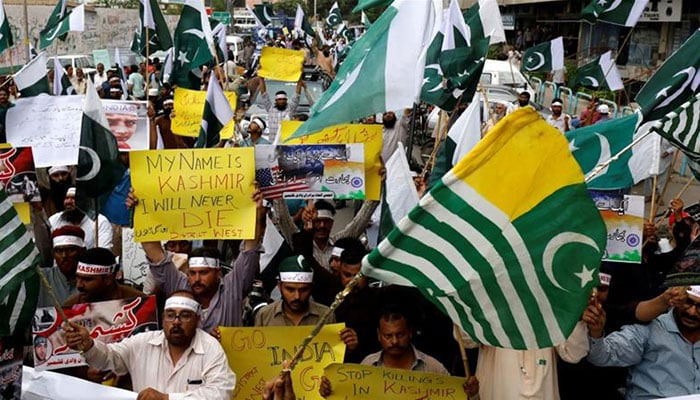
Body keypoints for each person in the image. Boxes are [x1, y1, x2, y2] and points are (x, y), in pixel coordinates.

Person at [127, 187, 265, 332]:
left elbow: (250, 249)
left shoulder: (233, 287)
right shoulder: (180, 285)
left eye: (204, 272)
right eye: (192, 273)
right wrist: (141, 212)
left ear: (218, 273)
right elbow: (155, 254)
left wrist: (255, 212)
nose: (196, 279)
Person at [64, 291, 236, 399]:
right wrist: (88, 345)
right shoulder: (142, 342)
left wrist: (167, 398)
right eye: (170, 315)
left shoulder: (210, 347)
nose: (176, 322)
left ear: (197, 320)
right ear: (162, 319)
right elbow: (110, 357)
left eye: (184, 316)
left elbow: (220, 392)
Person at [320, 306, 480, 398]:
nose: (394, 341)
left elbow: (454, 396)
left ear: (410, 333)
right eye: (388, 336)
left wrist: (471, 394)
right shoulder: (368, 366)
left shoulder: (433, 367)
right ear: (379, 336)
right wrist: (329, 392)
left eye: (400, 334)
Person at [585, 285, 700, 399]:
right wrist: (596, 332)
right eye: (688, 302)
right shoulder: (651, 328)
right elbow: (601, 355)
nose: (691, 312)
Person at [254, 255, 359, 348]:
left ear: (311, 287)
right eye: (290, 289)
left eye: (303, 290)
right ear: (279, 286)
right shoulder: (264, 315)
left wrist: (348, 343)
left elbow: (333, 353)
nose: (297, 296)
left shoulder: (326, 315)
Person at [63, 247, 144, 307]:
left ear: (108, 279)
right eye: (78, 278)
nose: (79, 285)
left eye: (87, 279)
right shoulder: (70, 307)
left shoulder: (139, 301)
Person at [48, 187, 113, 250]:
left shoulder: (100, 222)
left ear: (84, 202)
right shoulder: (54, 220)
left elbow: (104, 253)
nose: (69, 202)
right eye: (67, 198)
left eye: (74, 198)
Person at [37, 226, 86, 307]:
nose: (64, 256)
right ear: (53, 254)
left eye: (70, 250)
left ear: (83, 251)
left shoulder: (93, 280)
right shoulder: (42, 277)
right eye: (59, 251)